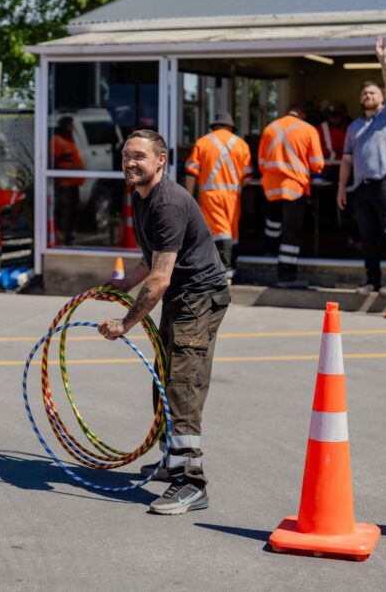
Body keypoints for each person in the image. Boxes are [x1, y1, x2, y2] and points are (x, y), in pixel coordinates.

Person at [98, 129, 230, 515]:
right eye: (126, 155)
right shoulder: (141, 197)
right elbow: (151, 260)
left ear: (161, 160)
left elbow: (160, 278)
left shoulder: (168, 202)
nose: (130, 163)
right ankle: (171, 462)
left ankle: (191, 483)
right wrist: (125, 283)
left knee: (182, 385)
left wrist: (125, 323)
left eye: (139, 156)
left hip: (199, 298)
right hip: (180, 297)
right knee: (163, 379)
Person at [337, 36, 386, 296]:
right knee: (367, 236)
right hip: (361, 187)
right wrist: (341, 188)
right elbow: (346, 160)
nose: (368, 96)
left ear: (382, 97)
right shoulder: (354, 127)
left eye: (372, 92)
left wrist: (383, 60)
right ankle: (372, 279)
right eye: (364, 93)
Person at [258, 107, 325, 288]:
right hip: (294, 186)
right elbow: (317, 164)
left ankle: (268, 252)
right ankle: (286, 275)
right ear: (302, 115)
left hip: (271, 186)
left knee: (273, 221)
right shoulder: (308, 129)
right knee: (291, 230)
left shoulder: (270, 128)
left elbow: (262, 162)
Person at [183, 112, 252, 283]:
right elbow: (248, 177)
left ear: (213, 126)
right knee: (232, 233)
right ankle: (231, 269)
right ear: (231, 127)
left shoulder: (203, 142)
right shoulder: (241, 144)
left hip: (211, 195)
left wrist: (189, 197)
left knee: (220, 232)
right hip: (233, 196)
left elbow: (191, 172)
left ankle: (224, 273)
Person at [50, 116, 83, 246]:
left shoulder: (70, 140)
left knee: (72, 211)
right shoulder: (57, 141)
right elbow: (51, 161)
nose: (72, 128)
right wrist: (63, 170)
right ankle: (62, 237)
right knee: (64, 212)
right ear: (63, 127)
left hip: (73, 183)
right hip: (64, 184)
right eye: (69, 126)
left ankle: (69, 236)